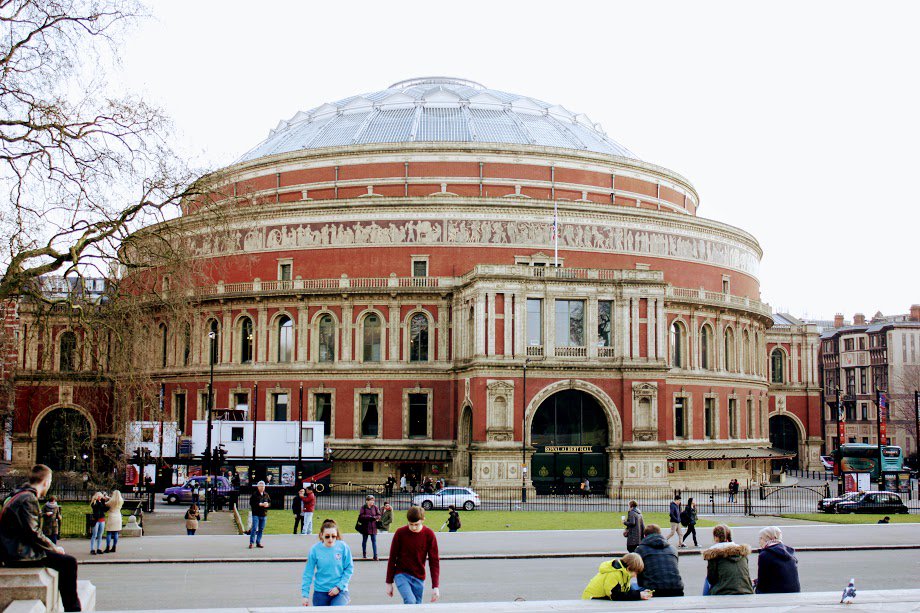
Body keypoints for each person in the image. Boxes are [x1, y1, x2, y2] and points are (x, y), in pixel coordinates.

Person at [0, 464, 82, 612]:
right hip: (20, 553)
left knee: (64, 563)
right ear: (46, 481)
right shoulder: (28, 499)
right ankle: (73, 609)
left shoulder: (16, 495)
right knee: (69, 563)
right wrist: (54, 547)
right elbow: (34, 532)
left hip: (11, 549)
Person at [385, 505, 440, 605]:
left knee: (417, 605)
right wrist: (389, 582)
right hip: (401, 574)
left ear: (423, 520)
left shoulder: (429, 535)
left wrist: (435, 586)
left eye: (416, 524)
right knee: (410, 601)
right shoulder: (400, 533)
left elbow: (434, 562)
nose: (413, 527)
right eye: (411, 524)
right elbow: (392, 558)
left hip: (419, 576)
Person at [301, 519, 354, 607]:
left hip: (340, 591)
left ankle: (344, 597)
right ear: (321, 535)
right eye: (327, 536)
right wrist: (305, 595)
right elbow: (308, 573)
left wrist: (339, 587)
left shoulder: (343, 547)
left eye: (333, 536)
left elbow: (349, 568)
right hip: (320, 591)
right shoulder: (314, 550)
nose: (330, 539)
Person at [634, 524, 684, 597]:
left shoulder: (640, 549)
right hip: (677, 588)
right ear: (660, 534)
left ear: (645, 536)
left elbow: (638, 573)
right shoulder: (673, 549)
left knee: (633, 586)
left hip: (653, 590)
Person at [702, 524, 753, 595]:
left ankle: (706, 601)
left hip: (722, 592)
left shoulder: (714, 554)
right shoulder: (742, 553)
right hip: (746, 590)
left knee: (707, 580)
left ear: (716, 537)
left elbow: (712, 579)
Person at [581, 553, 653, 600]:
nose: (635, 576)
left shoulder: (624, 573)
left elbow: (625, 591)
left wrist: (640, 592)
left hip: (599, 599)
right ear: (628, 569)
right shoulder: (614, 574)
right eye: (635, 572)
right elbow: (615, 595)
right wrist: (638, 595)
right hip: (592, 600)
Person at [754, 526, 800, 594]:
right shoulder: (790, 552)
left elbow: (762, 583)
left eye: (761, 538)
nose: (759, 541)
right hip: (794, 592)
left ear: (767, 539)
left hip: (775, 594)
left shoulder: (765, 555)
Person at [358, 494, 381, 560]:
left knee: (374, 541)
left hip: (373, 527)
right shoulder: (363, 507)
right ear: (367, 501)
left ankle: (375, 555)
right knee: (364, 541)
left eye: (373, 501)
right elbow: (361, 516)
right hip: (365, 526)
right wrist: (369, 517)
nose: (372, 502)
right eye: (371, 500)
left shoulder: (375, 507)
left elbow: (379, 515)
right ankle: (364, 554)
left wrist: (375, 517)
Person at [249, 480, 270, 549]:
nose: (262, 487)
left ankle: (258, 542)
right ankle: (251, 542)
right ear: (258, 487)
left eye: (263, 486)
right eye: (260, 486)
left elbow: (269, 502)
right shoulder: (254, 495)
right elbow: (251, 503)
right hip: (256, 513)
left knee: (261, 529)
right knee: (254, 528)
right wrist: (259, 504)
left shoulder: (266, 494)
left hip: (263, 514)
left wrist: (267, 505)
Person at [103, 489, 123, 553]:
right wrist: (109, 497)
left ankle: (107, 547)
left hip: (112, 516)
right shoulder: (121, 500)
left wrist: (106, 498)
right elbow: (114, 499)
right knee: (116, 533)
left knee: (109, 533)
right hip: (118, 516)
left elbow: (106, 504)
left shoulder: (111, 501)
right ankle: (114, 547)